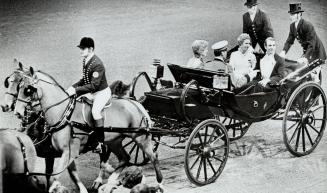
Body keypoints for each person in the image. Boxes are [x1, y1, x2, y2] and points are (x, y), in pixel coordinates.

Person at [66, 37, 111, 153]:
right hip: (92, 92)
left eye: (83, 48)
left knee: (95, 112)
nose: (81, 50)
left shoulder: (97, 64)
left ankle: (100, 142)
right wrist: (73, 87)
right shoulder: (86, 60)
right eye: (80, 48)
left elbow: (94, 85)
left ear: (90, 49)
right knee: (75, 102)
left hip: (101, 93)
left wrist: (77, 90)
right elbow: (85, 79)